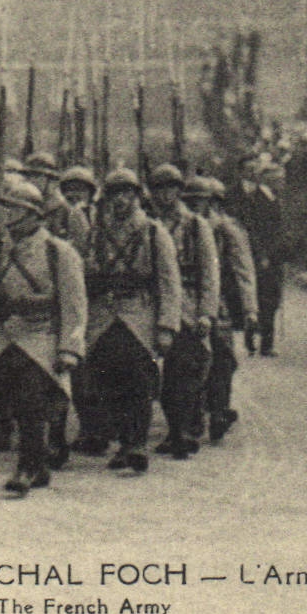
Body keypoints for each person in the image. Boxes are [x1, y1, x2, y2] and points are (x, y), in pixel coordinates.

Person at [0, 178, 87, 495]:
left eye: (16, 210)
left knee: (32, 402)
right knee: (9, 399)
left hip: (41, 335)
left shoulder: (59, 252)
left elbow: (74, 304)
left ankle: (29, 465)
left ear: (35, 216)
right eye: (7, 209)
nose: (8, 216)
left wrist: (70, 348)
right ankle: (36, 467)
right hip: (3, 334)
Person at [79, 168, 180, 473]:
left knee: (137, 379)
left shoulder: (153, 231)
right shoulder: (95, 233)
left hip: (138, 313)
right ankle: (123, 442)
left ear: (137, 197)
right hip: (102, 315)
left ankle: (136, 442)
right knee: (107, 380)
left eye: (127, 194)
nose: (121, 200)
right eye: (114, 194)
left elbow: (168, 281)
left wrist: (167, 326)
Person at [146, 165, 218, 459]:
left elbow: (210, 272)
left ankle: (183, 431)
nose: (165, 195)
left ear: (179, 191)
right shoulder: (147, 224)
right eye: (159, 189)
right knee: (160, 375)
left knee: (184, 372)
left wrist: (207, 313)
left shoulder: (195, 225)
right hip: (153, 303)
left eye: (170, 189)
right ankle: (177, 428)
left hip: (188, 303)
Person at [187, 176, 255, 443]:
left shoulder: (227, 230)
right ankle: (193, 415)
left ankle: (218, 411)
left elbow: (243, 270)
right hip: (191, 300)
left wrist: (251, 309)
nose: (196, 207)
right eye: (190, 202)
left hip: (221, 302)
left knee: (222, 357)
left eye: (202, 202)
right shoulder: (183, 226)